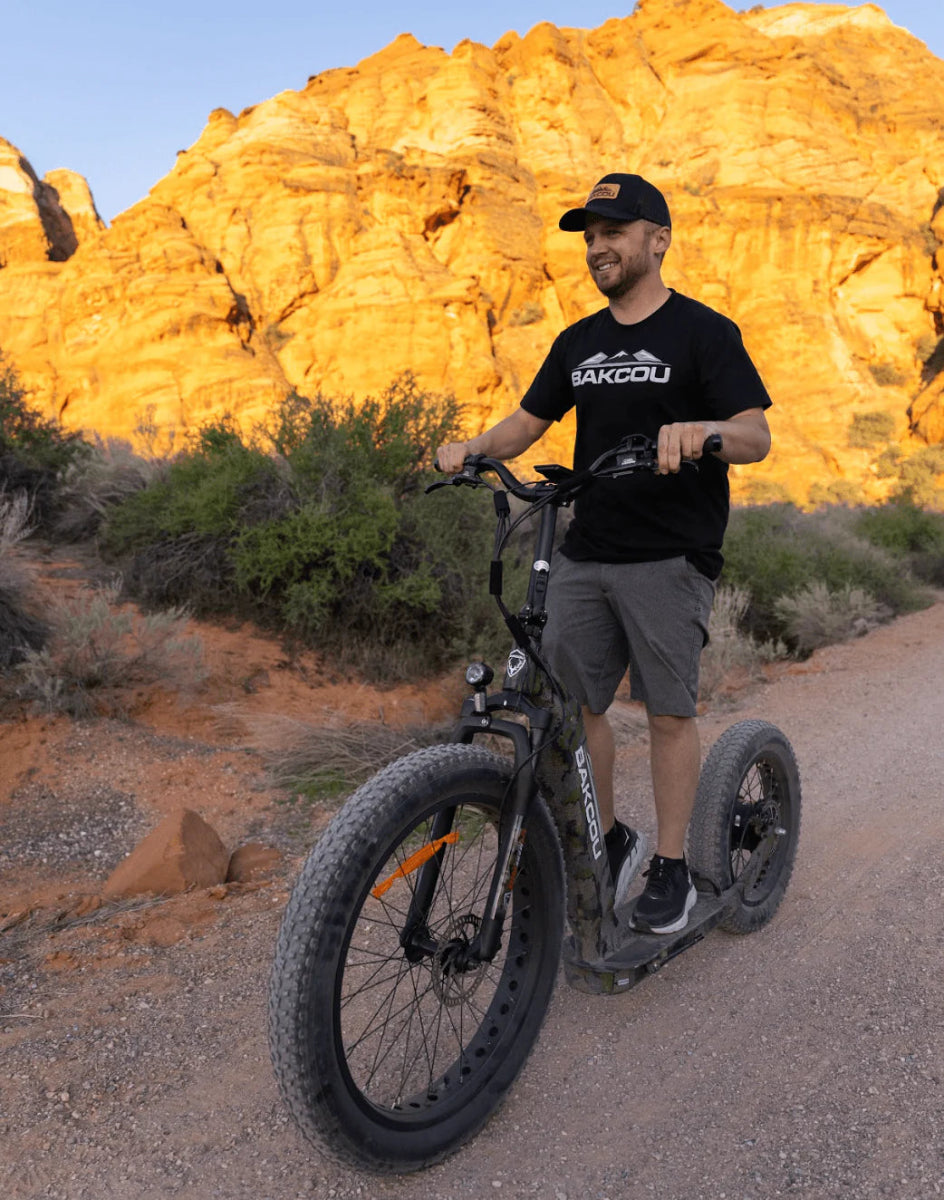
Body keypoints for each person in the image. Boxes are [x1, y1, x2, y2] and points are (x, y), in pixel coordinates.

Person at [437, 172, 772, 935]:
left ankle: (673, 868)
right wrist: (471, 448)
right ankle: (612, 838)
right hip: (585, 553)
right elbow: (526, 424)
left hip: (670, 556)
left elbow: (755, 435)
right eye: (589, 236)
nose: (597, 247)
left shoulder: (703, 332)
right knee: (572, 706)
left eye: (613, 232)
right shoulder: (579, 342)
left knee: (666, 713)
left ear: (658, 239)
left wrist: (704, 432)